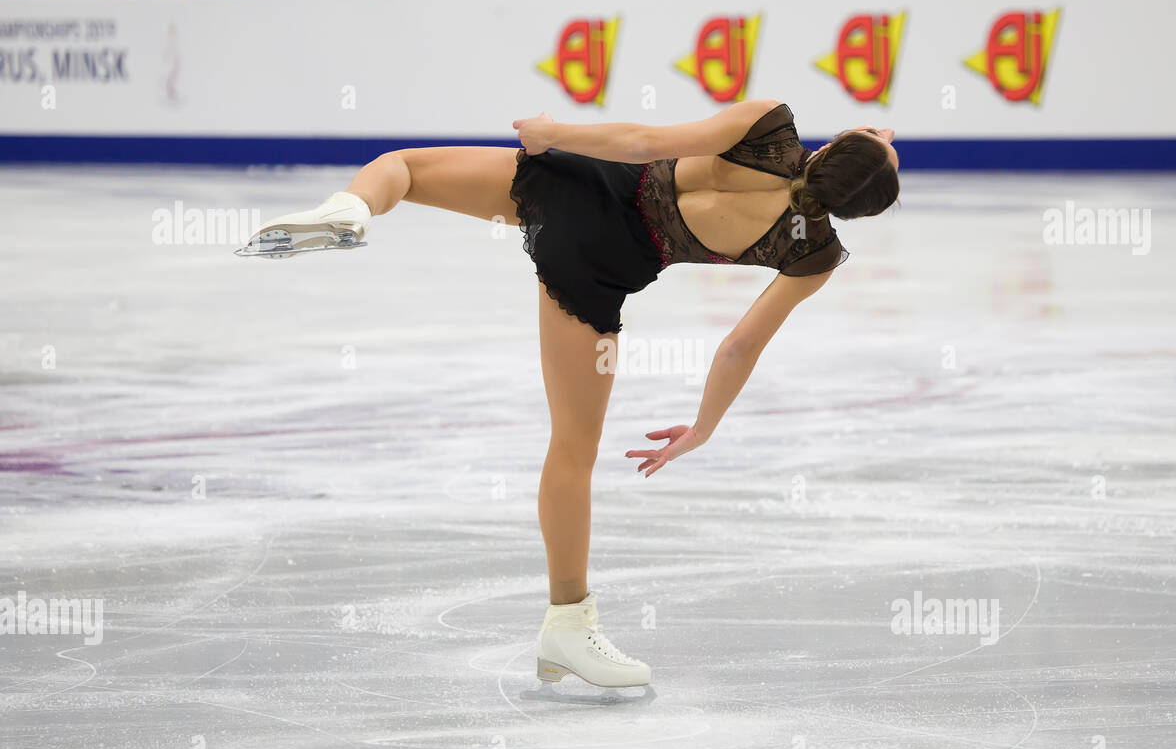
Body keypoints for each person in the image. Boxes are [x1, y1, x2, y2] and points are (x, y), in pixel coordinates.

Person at [237, 100, 900, 687]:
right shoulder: (812, 253)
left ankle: (347, 210)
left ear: (838, 146)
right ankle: (566, 627)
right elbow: (737, 348)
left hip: (578, 185)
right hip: (600, 266)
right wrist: (702, 429)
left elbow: (642, 142)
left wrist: (558, 131)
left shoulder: (769, 124)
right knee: (573, 450)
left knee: (403, 169)